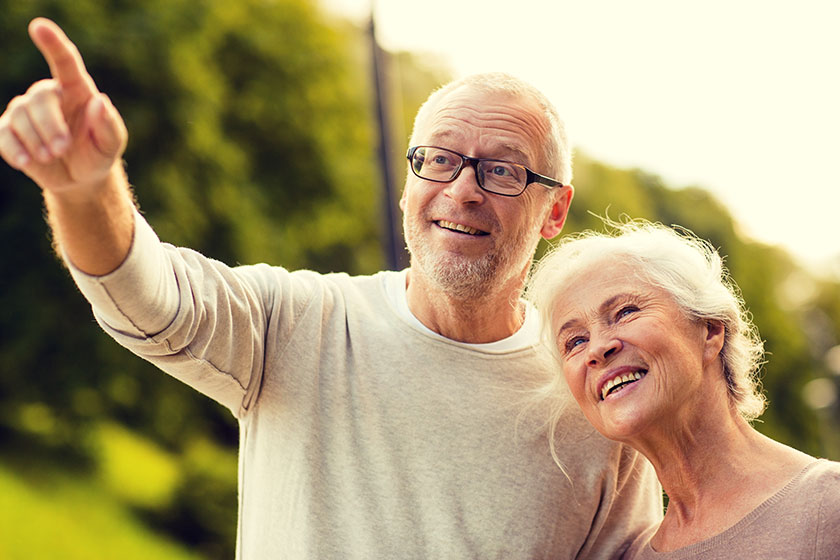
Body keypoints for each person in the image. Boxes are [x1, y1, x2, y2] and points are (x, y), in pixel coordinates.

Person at [0, 17, 663, 559]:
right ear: (410, 180)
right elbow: (146, 293)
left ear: (554, 210)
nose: (462, 190)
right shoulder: (298, 324)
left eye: (501, 170)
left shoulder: (597, 408)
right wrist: (85, 190)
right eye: (438, 160)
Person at [527, 220, 840, 559]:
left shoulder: (829, 504)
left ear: (709, 329)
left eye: (625, 312)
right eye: (575, 341)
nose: (597, 349)